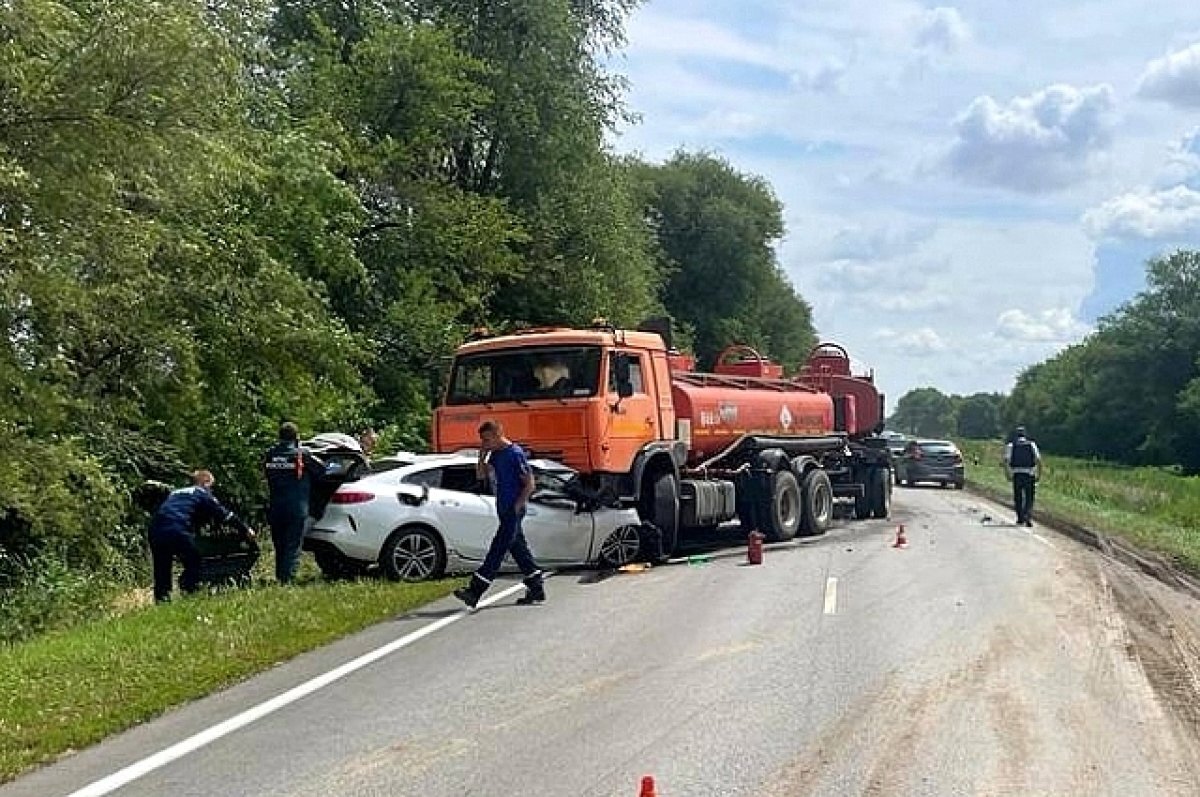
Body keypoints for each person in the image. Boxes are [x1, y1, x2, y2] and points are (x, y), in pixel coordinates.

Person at [453, 420, 546, 608]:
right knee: (518, 548)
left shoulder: (515, 454)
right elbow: (481, 476)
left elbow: (529, 484)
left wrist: (517, 506)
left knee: (498, 548)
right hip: (502, 509)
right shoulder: (495, 455)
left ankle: (475, 590)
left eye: (487, 440)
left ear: (498, 434)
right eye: (483, 441)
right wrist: (481, 456)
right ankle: (536, 586)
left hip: (513, 510)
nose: (485, 443)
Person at [148, 470, 254, 603]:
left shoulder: (175, 493)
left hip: (155, 529)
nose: (212, 490)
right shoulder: (201, 493)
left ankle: (162, 601)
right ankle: (189, 593)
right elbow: (225, 515)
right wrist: (245, 529)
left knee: (162, 568)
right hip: (177, 529)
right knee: (195, 561)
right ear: (205, 483)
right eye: (211, 486)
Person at [263, 421, 327, 583]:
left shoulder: (270, 454)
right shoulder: (301, 455)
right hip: (296, 507)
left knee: (279, 544)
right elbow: (322, 471)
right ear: (296, 437)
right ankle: (287, 580)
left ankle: (280, 576)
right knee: (292, 545)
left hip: (276, 506)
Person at [1004, 426, 1042, 527]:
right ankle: (1028, 516)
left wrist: (1007, 474)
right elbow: (1038, 460)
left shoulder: (1011, 445)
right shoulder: (1031, 444)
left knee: (1018, 497)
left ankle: (1020, 518)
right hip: (1029, 474)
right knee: (1029, 497)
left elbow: (1006, 461)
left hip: (1017, 474)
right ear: (1025, 435)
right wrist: (1039, 474)